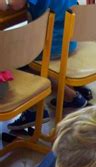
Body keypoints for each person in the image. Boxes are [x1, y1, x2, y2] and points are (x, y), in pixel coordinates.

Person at [0, 0, 91, 131]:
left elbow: (14, 5)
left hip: (53, 44)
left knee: (18, 60)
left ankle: (35, 110)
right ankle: (71, 93)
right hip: (70, 37)